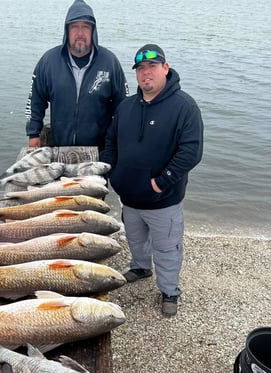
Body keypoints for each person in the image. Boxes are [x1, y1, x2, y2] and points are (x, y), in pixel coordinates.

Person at [101, 44, 204, 317]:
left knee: (167, 248)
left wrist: (161, 182)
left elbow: (191, 152)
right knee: (135, 239)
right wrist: (113, 171)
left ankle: (170, 291)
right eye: (141, 69)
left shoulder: (184, 106)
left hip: (163, 202)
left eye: (153, 67)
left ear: (165, 69)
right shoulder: (126, 107)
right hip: (130, 199)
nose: (146, 73)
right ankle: (140, 267)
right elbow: (110, 141)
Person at [25, 0, 128, 150]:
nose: (80, 33)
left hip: (99, 149)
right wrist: (33, 133)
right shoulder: (49, 61)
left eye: (85, 27)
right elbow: (35, 100)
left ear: (93, 31)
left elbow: (123, 106)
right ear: (67, 30)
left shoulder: (110, 62)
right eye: (74, 27)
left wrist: (120, 138)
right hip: (60, 146)